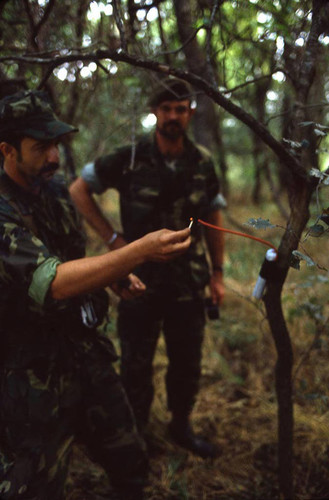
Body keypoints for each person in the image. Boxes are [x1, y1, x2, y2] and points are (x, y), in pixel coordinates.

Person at [0, 89, 191, 500]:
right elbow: (51, 282)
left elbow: (72, 261)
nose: (53, 157)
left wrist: (111, 275)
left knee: (128, 457)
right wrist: (134, 252)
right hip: (30, 373)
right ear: (7, 150)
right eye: (40, 147)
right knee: (38, 481)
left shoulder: (52, 195)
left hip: (84, 354)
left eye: (55, 145)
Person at [69, 78, 225, 459]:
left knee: (187, 361)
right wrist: (112, 241)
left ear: (190, 113)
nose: (173, 116)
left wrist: (218, 273)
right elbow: (78, 189)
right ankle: (134, 434)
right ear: (155, 112)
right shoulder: (131, 156)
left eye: (181, 109)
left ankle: (180, 426)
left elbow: (212, 213)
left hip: (189, 282)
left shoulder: (202, 162)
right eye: (166, 109)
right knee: (136, 364)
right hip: (138, 279)